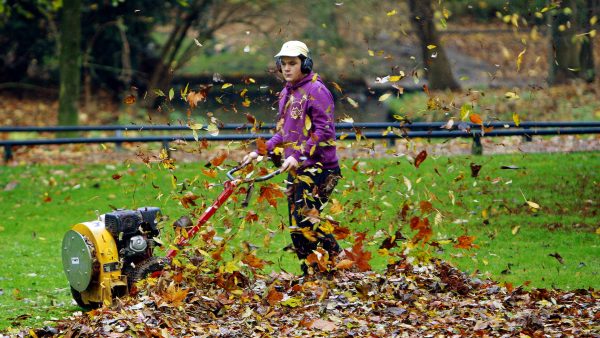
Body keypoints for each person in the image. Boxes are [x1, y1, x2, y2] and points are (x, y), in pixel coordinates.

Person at [243, 40, 342, 276]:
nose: (287, 68)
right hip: (297, 168)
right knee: (298, 227)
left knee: (308, 222)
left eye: (293, 63)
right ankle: (312, 273)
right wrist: (262, 150)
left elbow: (324, 130)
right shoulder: (287, 92)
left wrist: (299, 154)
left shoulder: (316, 90)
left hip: (320, 169)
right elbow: (284, 132)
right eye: (283, 64)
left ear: (305, 64)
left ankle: (341, 264)